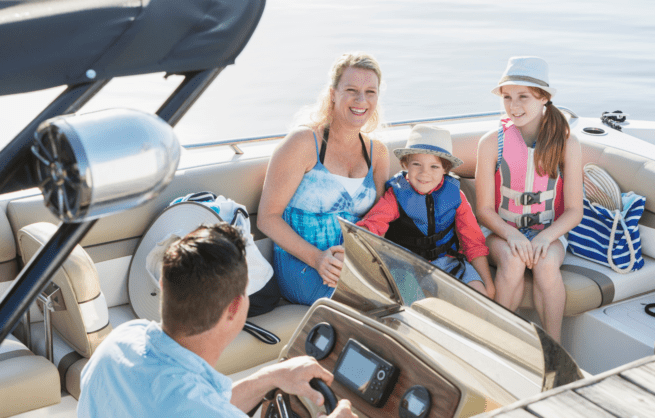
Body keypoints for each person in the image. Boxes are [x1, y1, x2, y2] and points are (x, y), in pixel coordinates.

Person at [78, 223, 356, 418]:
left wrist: (273, 377)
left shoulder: (119, 341)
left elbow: (201, 404)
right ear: (235, 307)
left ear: (164, 285)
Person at [258, 52, 389, 305]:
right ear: (332, 94)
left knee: (416, 296)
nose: (361, 100)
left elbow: (379, 221)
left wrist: (360, 261)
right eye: (351, 89)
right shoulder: (304, 143)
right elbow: (267, 218)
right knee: (375, 307)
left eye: (370, 92)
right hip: (304, 265)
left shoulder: (378, 153)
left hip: (355, 265)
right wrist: (319, 259)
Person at [475, 56, 583, 342]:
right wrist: (512, 235)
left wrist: (545, 238)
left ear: (543, 98)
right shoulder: (490, 143)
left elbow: (574, 211)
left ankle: (553, 347)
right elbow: (484, 209)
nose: (514, 105)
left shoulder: (567, 143)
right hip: (499, 231)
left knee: (546, 264)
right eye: (507, 97)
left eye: (523, 96)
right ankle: (497, 341)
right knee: (512, 260)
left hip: (549, 232)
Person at [357, 125, 495, 299]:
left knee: (480, 296)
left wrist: (487, 284)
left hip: (448, 262)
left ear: (445, 169)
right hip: (404, 267)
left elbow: (473, 242)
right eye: (416, 164)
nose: (424, 173)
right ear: (405, 163)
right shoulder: (396, 195)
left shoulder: (455, 196)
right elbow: (371, 226)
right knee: (418, 307)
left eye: (434, 167)